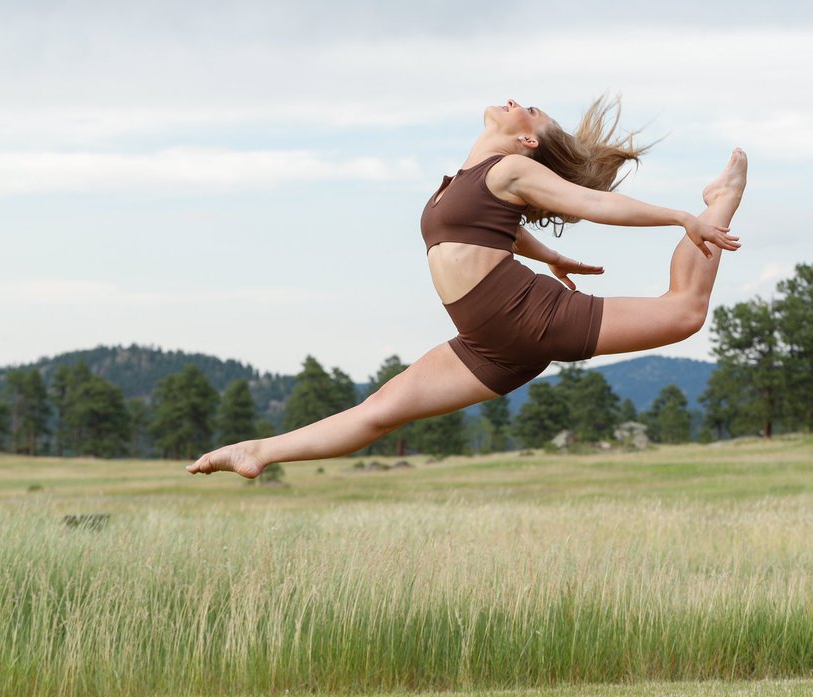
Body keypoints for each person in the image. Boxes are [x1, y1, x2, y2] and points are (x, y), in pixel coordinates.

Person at [186, 96, 746, 478]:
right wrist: (548, 253)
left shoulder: (510, 169)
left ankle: (718, 200)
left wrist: (680, 217)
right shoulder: (465, 182)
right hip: (488, 342)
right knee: (381, 410)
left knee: (684, 312)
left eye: (529, 109)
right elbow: (494, 228)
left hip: (528, 317)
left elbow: (594, 203)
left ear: (526, 138)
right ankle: (257, 452)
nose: (515, 102)